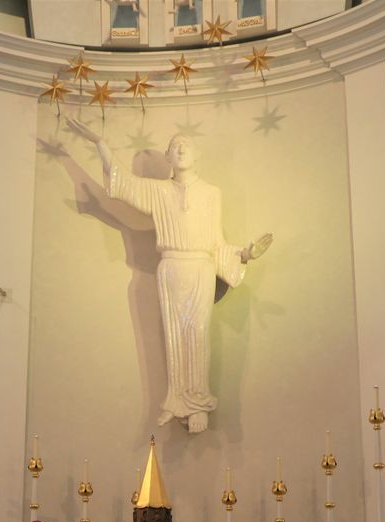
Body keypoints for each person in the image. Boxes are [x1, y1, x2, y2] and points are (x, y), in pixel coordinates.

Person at [66, 117, 273, 434]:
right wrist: (101, 144)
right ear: (168, 156)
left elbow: (215, 241)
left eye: (186, 145)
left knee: (198, 332)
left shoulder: (211, 194)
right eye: (175, 145)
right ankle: (177, 401)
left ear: (196, 154)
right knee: (175, 334)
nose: (181, 148)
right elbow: (125, 185)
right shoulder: (158, 191)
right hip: (171, 267)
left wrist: (243, 254)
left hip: (201, 266)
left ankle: (198, 402)